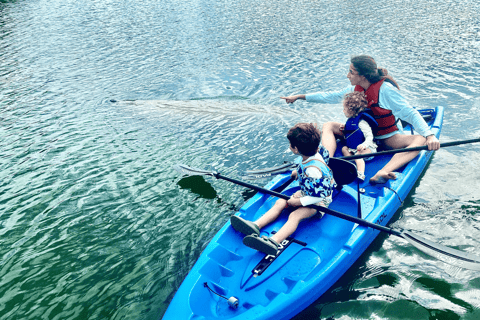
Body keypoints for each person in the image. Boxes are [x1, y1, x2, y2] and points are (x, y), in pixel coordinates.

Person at [280, 55, 440, 184]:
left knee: (420, 139)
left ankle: (383, 171)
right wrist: (300, 97)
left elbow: (410, 113)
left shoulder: (386, 91)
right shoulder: (354, 89)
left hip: (386, 138)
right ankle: (325, 161)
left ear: (362, 76)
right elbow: (329, 96)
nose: (347, 75)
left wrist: (430, 135)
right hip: (360, 135)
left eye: (351, 72)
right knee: (329, 125)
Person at [230, 123, 336, 255]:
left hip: (318, 201)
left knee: (295, 215)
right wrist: (298, 171)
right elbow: (316, 162)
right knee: (280, 202)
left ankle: (274, 241)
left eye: (290, 144)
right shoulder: (315, 150)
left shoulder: (313, 170)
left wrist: (299, 202)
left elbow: (320, 195)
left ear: (296, 149)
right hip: (307, 192)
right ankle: (256, 225)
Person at [340, 91, 378, 181]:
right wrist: (345, 128)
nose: (343, 110)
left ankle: (361, 173)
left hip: (368, 149)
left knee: (358, 155)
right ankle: (352, 163)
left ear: (351, 109)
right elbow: (352, 131)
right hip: (354, 149)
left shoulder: (362, 123)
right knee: (344, 149)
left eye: (344, 108)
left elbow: (370, 137)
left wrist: (364, 145)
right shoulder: (351, 121)